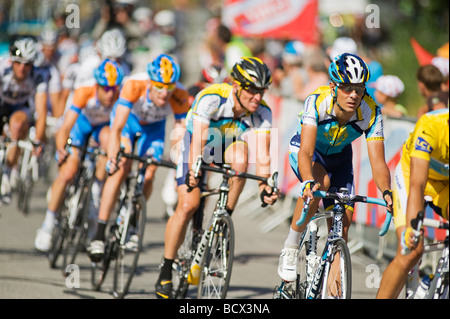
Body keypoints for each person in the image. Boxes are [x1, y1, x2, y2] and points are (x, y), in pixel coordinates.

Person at [154, 57, 279, 299]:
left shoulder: (263, 112)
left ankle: (223, 223)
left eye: (261, 92)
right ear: (236, 86)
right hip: (195, 144)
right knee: (189, 204)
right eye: (252, 91)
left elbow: (264, 156)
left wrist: (265, 186)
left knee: (242, 157)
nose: (257, 97)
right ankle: (166, 268)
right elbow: (198, 143)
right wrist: (193, 172)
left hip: (225, 146)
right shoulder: (212, 97)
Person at [277, 53, 393, 283]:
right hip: (308, 151)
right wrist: (308, 180)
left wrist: (387, 193)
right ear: (333, 86)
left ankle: (333, 289)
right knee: (321, 184)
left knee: (342, 230)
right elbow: (307, 152)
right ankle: (290, 245)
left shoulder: (371, 111)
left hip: (340, 159)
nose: (353, 95)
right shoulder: (317, 101)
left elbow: (378, 162)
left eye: (359, 89)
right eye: (347, 88)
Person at [87, 54, 190, 260]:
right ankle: (99, 233)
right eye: (160, 86)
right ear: (150, 83)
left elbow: (180, 130)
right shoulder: (134, 85)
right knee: (121, 167)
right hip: (128, 124)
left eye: (169, 87)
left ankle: (133, 221)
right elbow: (116, 128)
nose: (164, 93)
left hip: (153, 131)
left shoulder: (179, 94)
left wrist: (178, 153)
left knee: (149, 173)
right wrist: (114, 156)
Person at [34, 59, 124, 252]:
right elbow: (65, 127)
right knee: (68, 173)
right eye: (105, 88)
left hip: (102, 130)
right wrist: (61, 149)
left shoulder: (120, 96)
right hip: (80, 127)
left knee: (108, 142)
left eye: (113, 89)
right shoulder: (85, 91)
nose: (110, 93)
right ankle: (48, 225)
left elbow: (120, 131)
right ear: (97, 85)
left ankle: (96, 195)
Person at [376, 108, 449, 299]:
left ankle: (432, 282)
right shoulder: (430, 126)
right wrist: (412, 228)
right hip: (412, 177)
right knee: (411, 251)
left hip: (444, 185)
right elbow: (417, 184)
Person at [0, 38, 48, 203]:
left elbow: (42, 113)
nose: (22, 68)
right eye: (19, 63)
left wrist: (38, 140)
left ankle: (9, 171)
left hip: (21, 108)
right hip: (2, 104)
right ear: (12, 61)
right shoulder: (2, 68)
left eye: (27, 64)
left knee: (18, 125)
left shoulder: (38, 76)